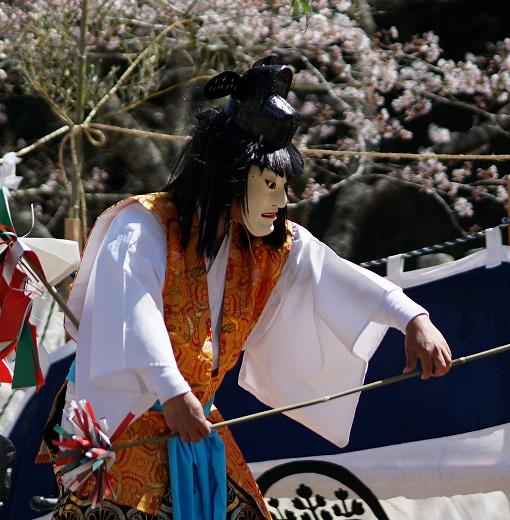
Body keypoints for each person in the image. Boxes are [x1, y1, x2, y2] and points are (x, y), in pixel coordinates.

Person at [50, 57, 452, 520]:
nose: (283, 200)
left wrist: (412, 318)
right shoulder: (143, 224)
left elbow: (336, 274)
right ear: (231, 177)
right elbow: (132, 312)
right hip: (126, 427)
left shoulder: (268, 243)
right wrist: (173, 391)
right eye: (271, 184)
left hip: (197, 420)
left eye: (285, 186)